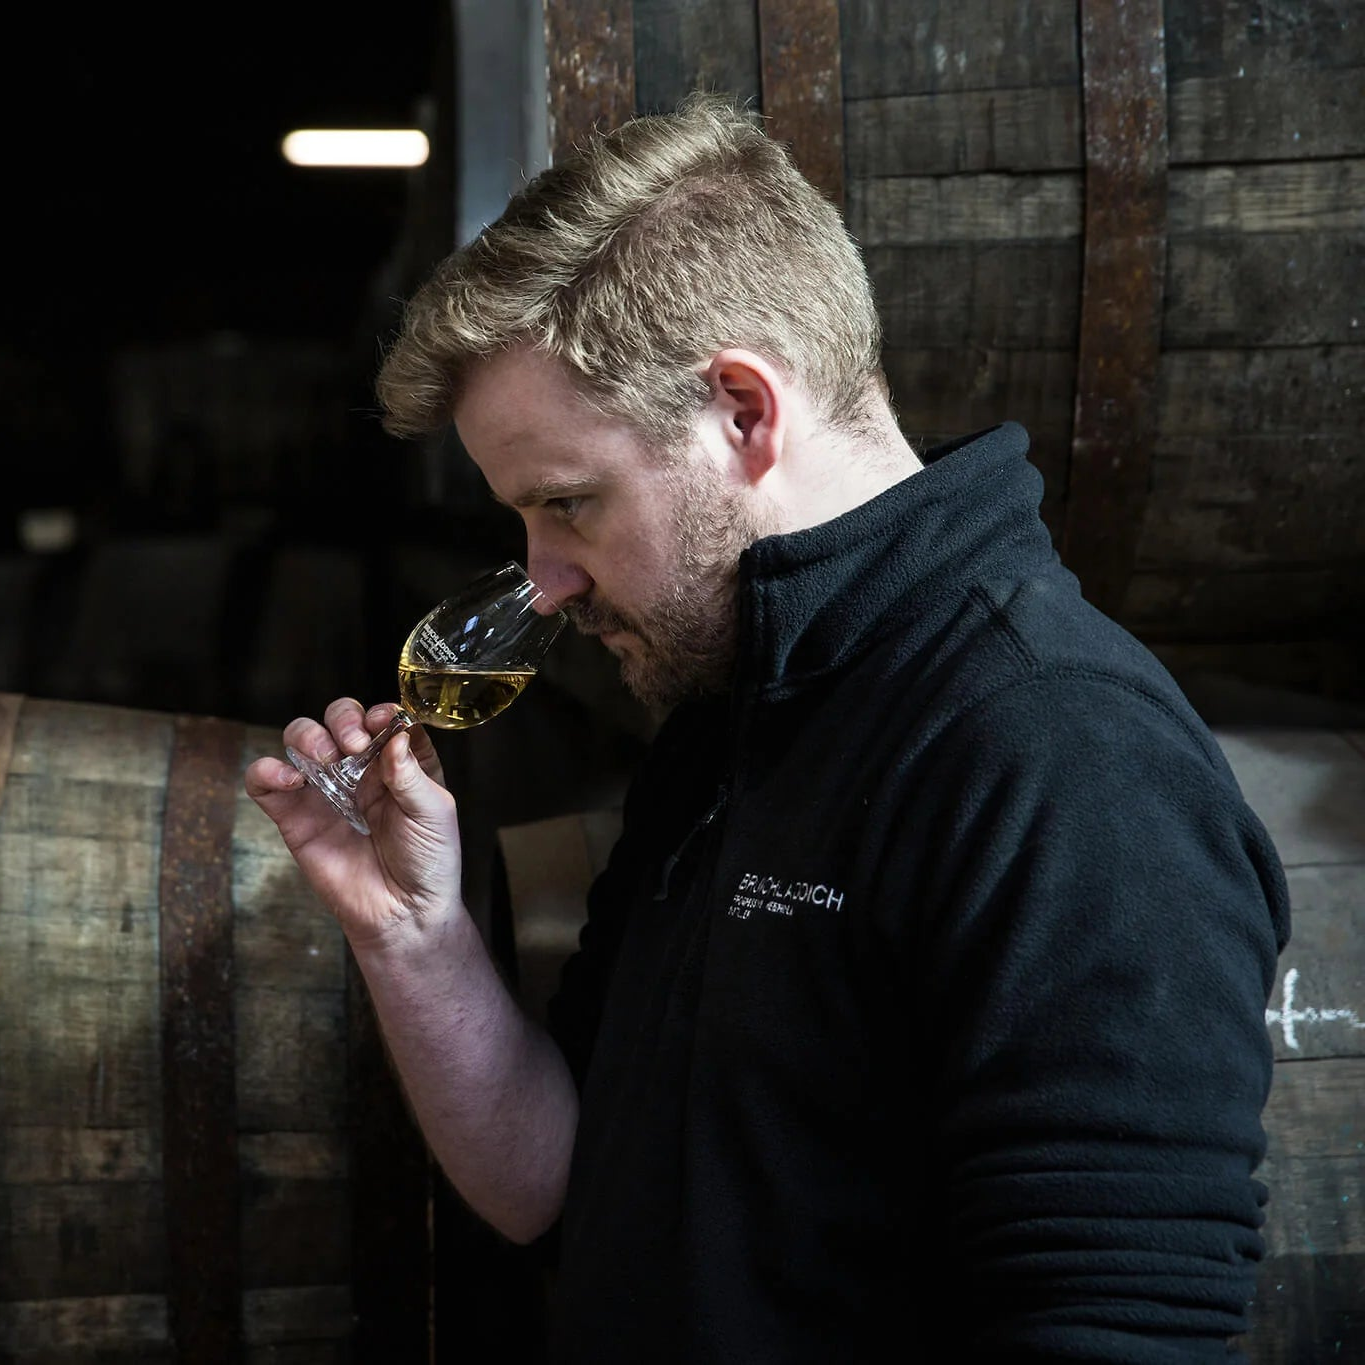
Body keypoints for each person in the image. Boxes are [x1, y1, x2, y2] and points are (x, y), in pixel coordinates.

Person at [246, 93, 1291, 1362]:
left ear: (744, 409)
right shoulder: (736, 704)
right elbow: (553, 1181)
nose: (548, 580)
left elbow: (1121, 1334)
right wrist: (413, 938)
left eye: (568, 503)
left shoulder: (1060, 756)